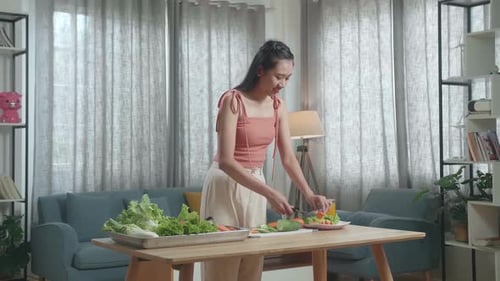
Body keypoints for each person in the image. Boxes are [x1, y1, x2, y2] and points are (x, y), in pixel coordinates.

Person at [200, 40, 331, 281]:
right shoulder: (233, 101)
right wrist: (270, 193)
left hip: (255, 183)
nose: (282, 84)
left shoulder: (278, 106)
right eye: (278, 77)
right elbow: (227, 161)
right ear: (260, 70)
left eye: (287, 78)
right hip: (224, 183)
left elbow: (289, 158)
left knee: (253, 259)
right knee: (223, 263)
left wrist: (309, 194)